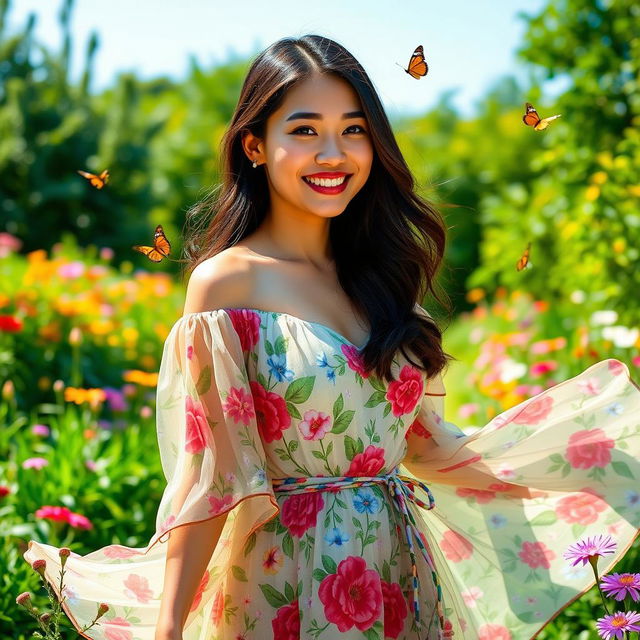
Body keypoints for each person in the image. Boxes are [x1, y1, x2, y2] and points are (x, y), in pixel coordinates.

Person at [23, 34, 640, 640]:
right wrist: (169, 628)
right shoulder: (227, 287)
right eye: (304, 130)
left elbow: (426, 448)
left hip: (398, 573)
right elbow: (215, 477)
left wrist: (588, 455)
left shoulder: (386, 284)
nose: (334, 153)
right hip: (283, 581)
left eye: (354, 129)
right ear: (255, 146)